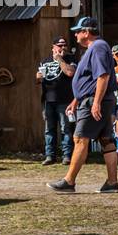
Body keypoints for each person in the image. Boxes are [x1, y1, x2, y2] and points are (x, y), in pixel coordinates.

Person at [48, 16, 118, 194]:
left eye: (78, 31)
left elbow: (102, 76)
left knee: (80, 139)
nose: (76, 35)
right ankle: (112, 183)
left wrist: (95, 102)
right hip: (95, 100)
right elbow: (88, 81)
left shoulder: (98, 47)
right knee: (106, 141)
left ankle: (69, 181)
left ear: (86, 32)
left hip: (95, 101)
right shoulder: (95, 48)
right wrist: (75, 100)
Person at [36, 35, 76, 165]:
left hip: (65, 99)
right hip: (48, 100)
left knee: (66, 129)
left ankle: (67, 156)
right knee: (49, 129)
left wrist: (59, 59)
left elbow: (70, 73)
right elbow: (39, 80)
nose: (63, 48)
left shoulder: (70, 59)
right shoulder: (44, 61)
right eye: (60, 45)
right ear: (53, 47)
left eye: (65, 45)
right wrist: (37, 78)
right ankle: (50, 156)